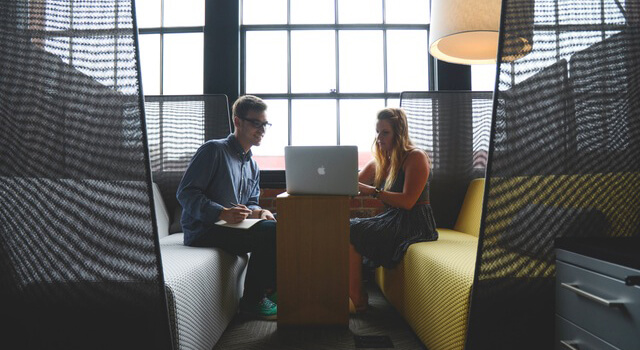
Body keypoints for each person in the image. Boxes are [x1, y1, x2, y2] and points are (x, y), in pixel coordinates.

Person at [176, 95, 278, 320]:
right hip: (204, 229)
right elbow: (186, 193)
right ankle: (252, 302)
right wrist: (221, 212)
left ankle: (272, 289)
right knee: (272, 232)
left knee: (282, 222)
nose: (262, 129)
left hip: (233, 227)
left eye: (265, 124)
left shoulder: (252, 164)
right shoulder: (213, 150)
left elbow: (250, 202)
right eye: (256, 123)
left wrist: (259, 211)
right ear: (238, 121)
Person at [349, 107, 438, 313]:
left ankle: (357, 297)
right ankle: (355, 293)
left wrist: (373, 191)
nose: (379, 137)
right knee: (347, 227)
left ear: (399, 133)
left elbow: (408, 202)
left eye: (385, 132)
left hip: (415, 222)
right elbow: (351, 185)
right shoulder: (380, 161)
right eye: (377, 132)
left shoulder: (415, 157)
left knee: (352, 230)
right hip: (392, 218)